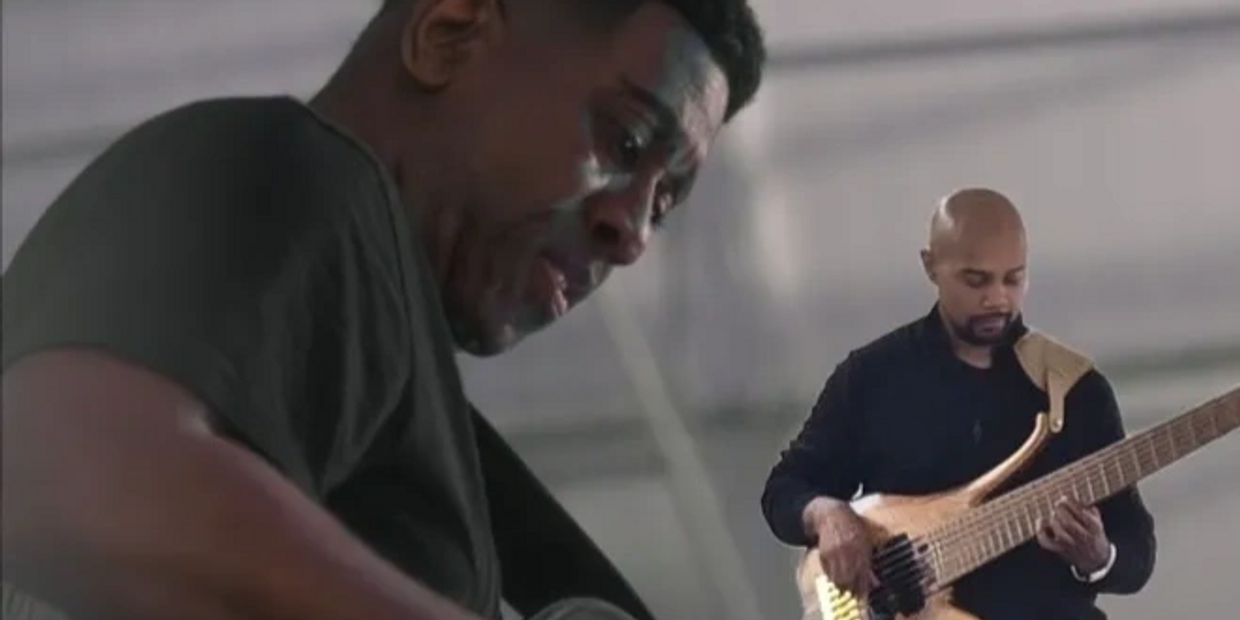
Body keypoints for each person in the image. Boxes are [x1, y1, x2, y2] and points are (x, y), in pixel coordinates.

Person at [0, 1, 766, 619]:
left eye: (662, 205)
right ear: (448, 35)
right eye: (626, 142)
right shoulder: (295, 168)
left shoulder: (402, 395)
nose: (633, 235)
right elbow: (64, 470)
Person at [760, 188, 1157, 620]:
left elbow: (1137, 551)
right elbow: (787, 487)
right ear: (930, 266)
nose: (997, 299)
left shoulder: (1077, 389)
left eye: (1013, 279)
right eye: (976, 280)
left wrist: (1099, 556)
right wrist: (827, 515)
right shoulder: (871, 377)